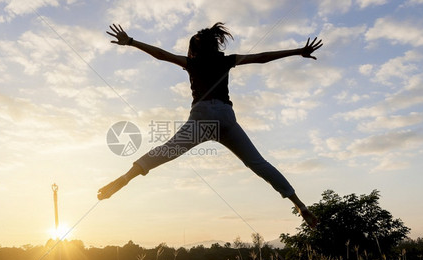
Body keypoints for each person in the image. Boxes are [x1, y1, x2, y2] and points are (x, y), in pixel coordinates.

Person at [98, 23, 322, 228]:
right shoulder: (226, 60)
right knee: (258, 163)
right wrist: (296, 51)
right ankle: (299, 203)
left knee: (167, 151)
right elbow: (262, 57)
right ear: (214, 44)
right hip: (226, 116)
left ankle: (127, 177)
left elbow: (161, 55)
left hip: (202, 115)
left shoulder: (192, 63)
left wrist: (131, 42)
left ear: (195, 49)